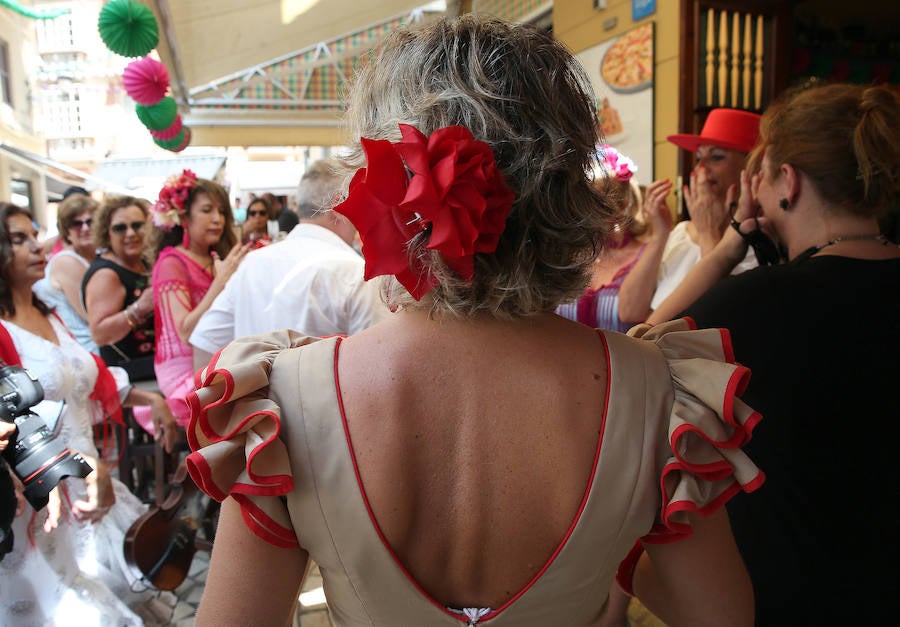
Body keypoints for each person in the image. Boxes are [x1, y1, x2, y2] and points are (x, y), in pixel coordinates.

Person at [186, 17, 764, 626]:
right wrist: (608, 540)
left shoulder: (288, 404)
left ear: (379, 183)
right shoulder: (656, 394)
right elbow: (720, 615)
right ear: (565, 190)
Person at [648, 83, 900, 623]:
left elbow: (641, 347)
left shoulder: (754, 305)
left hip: (797, 593)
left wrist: (728, 247)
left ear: (788, 182)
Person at [0, 202, 177, 626]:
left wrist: (152, 401)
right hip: (39, 499)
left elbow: (89, 375)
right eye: (18, 239)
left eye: (33, 234)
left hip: (90, 484)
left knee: (126, 587)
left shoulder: (49, 312)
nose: (37, 247)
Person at [189, 159, 388, 366]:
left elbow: (205, 343)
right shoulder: (356, 274)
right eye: (363, 202)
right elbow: (379, 364)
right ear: (338, 206)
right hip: (327, 398)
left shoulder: (252, 263)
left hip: (254, 395)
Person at [617, 108, 760, 322]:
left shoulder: (758, 242)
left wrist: (708, 235)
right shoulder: (682, 233)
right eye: (699, 158)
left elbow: (718, 320)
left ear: (751, 166)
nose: (701, 168)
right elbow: (629, 312)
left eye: (717, 157)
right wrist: (660, 234)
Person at [150, 171, 248, 427]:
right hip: (184, 371)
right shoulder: (172, 262)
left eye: (221, 212)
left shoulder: (218, 258)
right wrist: (221, 282)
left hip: (218, 360)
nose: (217, 219)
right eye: (207, 210)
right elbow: (185, 331)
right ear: (183, 216)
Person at [82, 195, 176, 446]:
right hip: (129, 370)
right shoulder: (106, 274)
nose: (130, 233)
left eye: (137, 225)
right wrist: (139, 308)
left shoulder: (145, 262)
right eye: (120, 228)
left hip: (152, 363)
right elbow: (100, 333)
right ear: (106, 233)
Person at [556, 145, 672, 332]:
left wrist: (660, 235)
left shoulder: (649, 255)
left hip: (625, 360)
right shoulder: (564, 256)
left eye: (596, 200)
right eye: (579, 200)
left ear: (622, 204)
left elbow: (635, 315)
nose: (584, 211)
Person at [33, 192, 100, 354]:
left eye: (90, 221)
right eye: (76, 224)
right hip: (83, 351)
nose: (85, 228)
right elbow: (95, 317)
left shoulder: (94, 257)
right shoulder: (68, 262)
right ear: (66, 231)